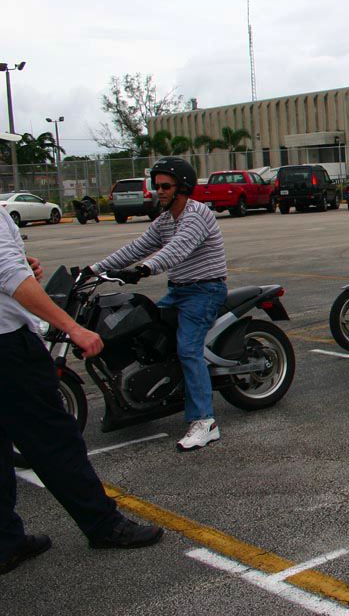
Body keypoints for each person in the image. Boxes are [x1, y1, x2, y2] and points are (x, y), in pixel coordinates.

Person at [1, 206, 163, 575]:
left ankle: (5, 542)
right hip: (8, 347)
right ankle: (104, 526)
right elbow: (11, 277)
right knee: (55, 441)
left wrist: (22, 263)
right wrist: (72, 327)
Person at [88, 157, 227, 452]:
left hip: (205, 291)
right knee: (145, 337)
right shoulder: (165, 221)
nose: (159, 191)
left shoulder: (196, 215)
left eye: (165, 186)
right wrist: (94, 270)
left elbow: (177, 249)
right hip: (178, 291)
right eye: (157, 186)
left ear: (182, 187)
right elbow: (136, 248)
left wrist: (144, 269)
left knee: (188, 349)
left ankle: (205, 421)